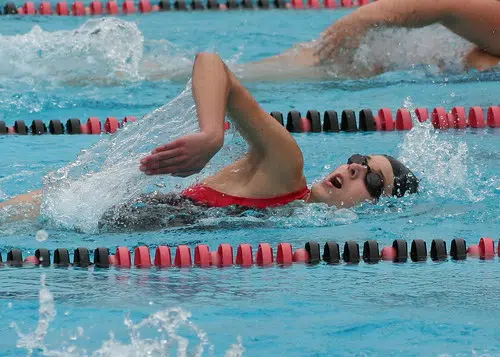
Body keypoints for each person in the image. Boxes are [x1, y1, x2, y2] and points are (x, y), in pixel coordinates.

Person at [0, 52, 418, 230]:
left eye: (374, 180)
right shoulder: (285, 165)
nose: (356, 166)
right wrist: (211, 135)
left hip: (99, 233)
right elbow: (211, 62)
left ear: (379, 209)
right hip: (83, 214)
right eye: (360, 158)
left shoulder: (292, 218)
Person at [241, 0, 500, 78]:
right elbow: (446, 5)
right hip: (371, 56)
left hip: (396, 65)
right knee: (257, 76)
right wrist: (362, 18)